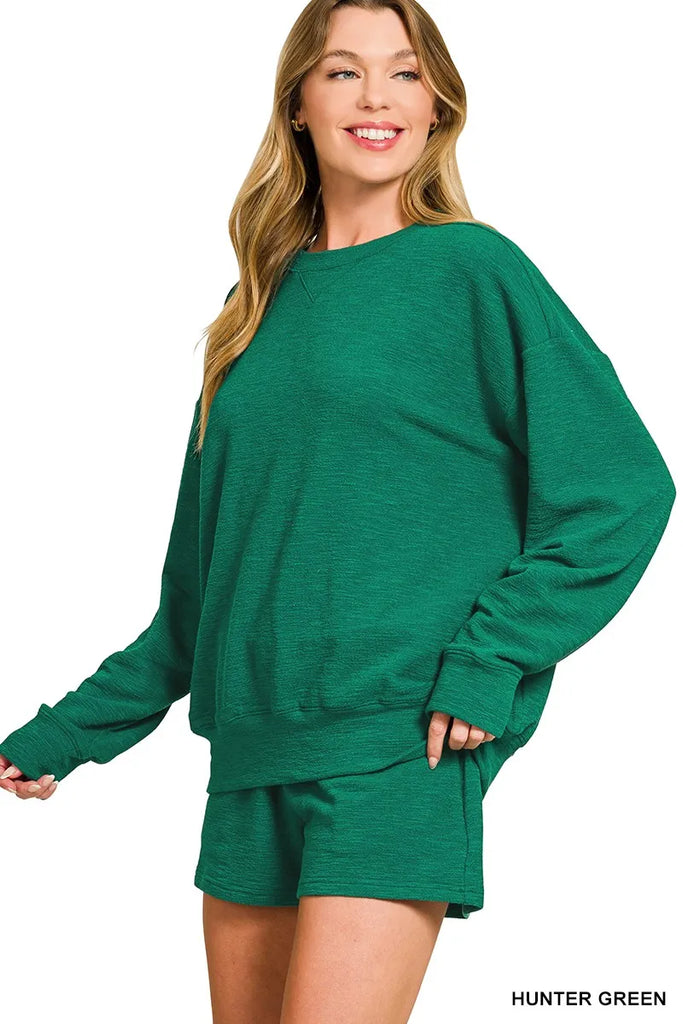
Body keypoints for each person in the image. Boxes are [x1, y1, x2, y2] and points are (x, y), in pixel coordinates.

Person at [0, 1, 676, 1021]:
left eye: (403, 73)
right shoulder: (251, 316)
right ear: (298, 104)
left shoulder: (471, 270)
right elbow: (198, 599)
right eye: (343, 71)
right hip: (250, 765)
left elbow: (619, 490)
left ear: (436, 104)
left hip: (394, 747)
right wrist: (62, 733)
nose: (376, 97)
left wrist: (490, 659)